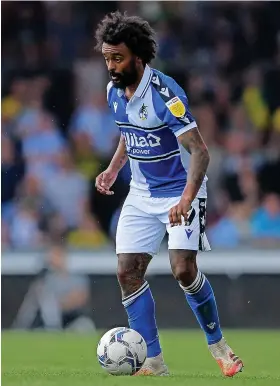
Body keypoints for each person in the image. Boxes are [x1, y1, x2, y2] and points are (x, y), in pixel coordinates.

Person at [95, 11, 243, 377]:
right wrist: (114, 168)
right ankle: (154, 362)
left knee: (182, 269)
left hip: (181, 190)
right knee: (127, 272)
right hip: (142, 194)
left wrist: (187, 200)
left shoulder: (165, 94)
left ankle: (219, 347)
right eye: (107, 58)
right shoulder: (114, 91)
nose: (111, 66)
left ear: (139, 57)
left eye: (118, 58)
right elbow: (130, 133)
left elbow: (201, 151)